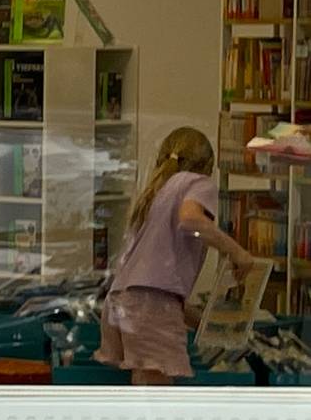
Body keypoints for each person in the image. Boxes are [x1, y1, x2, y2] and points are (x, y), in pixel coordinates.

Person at [104, 127, 258, 386]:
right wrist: (237, 252)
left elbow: (151, 284)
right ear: (208, 166)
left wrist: (201, 322)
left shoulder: (157, 193)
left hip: (123, 304)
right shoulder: (198, 183)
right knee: (157, 396)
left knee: (146, 384)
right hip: (149, 306)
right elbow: (190, 220)